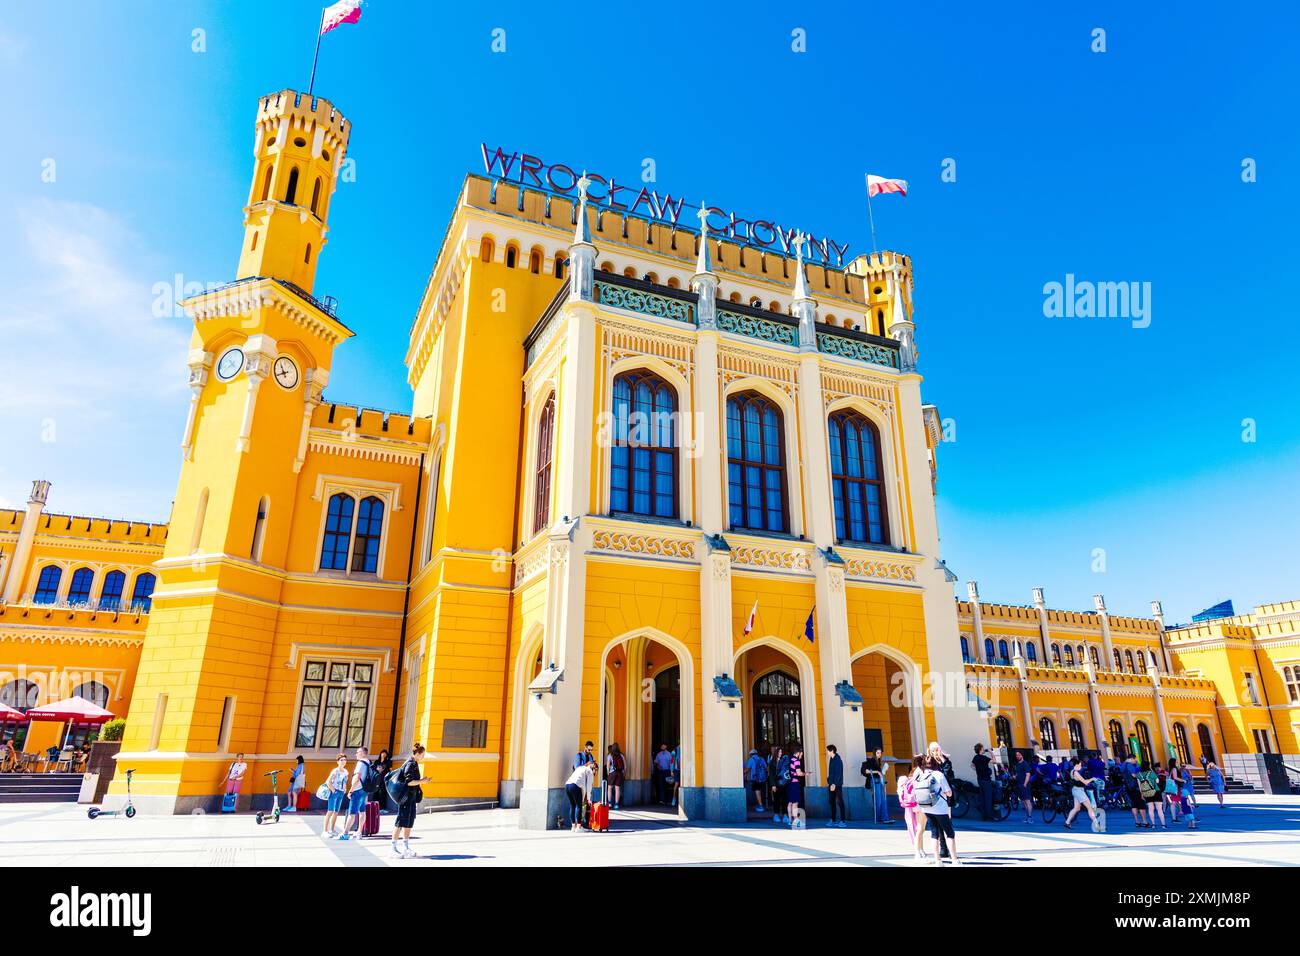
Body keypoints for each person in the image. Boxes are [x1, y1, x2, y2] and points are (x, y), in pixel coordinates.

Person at [915, 755, 960, 865]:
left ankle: (937, 860)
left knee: (934, 834)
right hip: (940, 809)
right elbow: (948, 792)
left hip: (927, 808)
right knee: (949, 833)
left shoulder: (921, 775)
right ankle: (954, 860)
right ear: (935, 764)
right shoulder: (939, 775)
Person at [391, 744, 430, 858]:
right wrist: (422, 781)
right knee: (400, 822)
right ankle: (393, 848)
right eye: (422, 754)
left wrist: (422, 781)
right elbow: (409, 782)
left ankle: (405, 847)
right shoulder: (410, 764)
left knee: (408, 822)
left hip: (411, 798)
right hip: (405, 799)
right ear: (417, 754)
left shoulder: (414, 764)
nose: (423, 757)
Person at [338, 746, 371, 841]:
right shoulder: (368, 762)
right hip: (365, 790)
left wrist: (351, 790)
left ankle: (345, 833)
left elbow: (357, 777)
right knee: (362, 811)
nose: (356, 754)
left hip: (357, 790)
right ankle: (359, 832)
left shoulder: (360, 763)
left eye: (358, 752)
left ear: (363, 753)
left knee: (352, 813)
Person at [1063, 757, 1103, 831]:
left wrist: (1090, 780)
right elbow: (1085, 782)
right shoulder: (1075, 772)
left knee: (1076, 808)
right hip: (1079, 791)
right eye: (1080, 765)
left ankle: (1067, 822)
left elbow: (1082, 781)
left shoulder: (1072, 771)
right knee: (1089, 807)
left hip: (1076, 790)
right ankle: (1097, 825)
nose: (1081, 767)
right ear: (1076, 765)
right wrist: (1092, 779)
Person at [899, 754, 926, 861]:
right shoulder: (921, 772)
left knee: (918, 828)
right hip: (919, 803)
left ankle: (920, 850)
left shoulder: (913, 772)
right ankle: (918, 851)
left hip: (912, 804)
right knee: (920, 828)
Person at [565, 758, 597, 831]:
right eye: (595, 769)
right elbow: (589, 786)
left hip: (567, 785)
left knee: (572, 805)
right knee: (579, 806)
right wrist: (589, 799)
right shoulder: (589, 771)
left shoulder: (580, 768)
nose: (595, 771)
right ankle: (579, 827)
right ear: (593, 766)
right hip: (575, 786)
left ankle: (573, 827)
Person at [322, 753, 349, 838]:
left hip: (341, 792)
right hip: (334, 792)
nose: (343, 761)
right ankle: (325, 831)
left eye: (344, 760)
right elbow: (328, 781)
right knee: (330, 811)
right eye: (341, 760)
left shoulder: (346, 772)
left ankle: (332, 830)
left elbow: (345, 781)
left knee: (336, 812)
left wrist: (345, 789)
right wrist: (333, 790)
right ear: (337, 761)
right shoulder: (335, 771)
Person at [971, 743, 994, 821]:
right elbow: (994, 761)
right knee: (988, 798)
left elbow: (972, 765)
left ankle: (984, 816)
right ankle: (989, 816)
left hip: (980, 779)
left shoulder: (976, 757)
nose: (984, 750)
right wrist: (991, 752)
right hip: (986, 780)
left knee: (983, 798)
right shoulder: (984, 758)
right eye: (983, 748)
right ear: (980, 749)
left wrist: (978, 770)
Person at [1141, 761, 1166, 829]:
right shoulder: (1151, 773)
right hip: (1156, 792)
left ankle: (1153, 824)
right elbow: (1157, 781)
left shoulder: (1140, 774)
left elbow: (1140, 785)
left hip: (1147, 793)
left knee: (1150, 809)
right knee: (1159, 809)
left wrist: (1142, 794)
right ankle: (1163, 824)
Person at [826, 744, 846, 828]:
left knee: (840, 802)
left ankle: (843, 821)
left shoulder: (837, 760)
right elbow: (831, 772)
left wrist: (834, 784)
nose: (827, 752)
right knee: (832, 802)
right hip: (831, 784)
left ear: (831, 751)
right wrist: (829, 781)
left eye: (827, 750)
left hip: (837, 785)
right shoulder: (831, 759)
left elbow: (838, 773)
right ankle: (833, 820)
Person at [786, 744, 806, 828]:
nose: (802, 755)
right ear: (798, 752)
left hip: (789, 783)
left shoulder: (790, 759)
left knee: (790, 802)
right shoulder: (796, 761)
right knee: (795, 803)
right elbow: (798, 773)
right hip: (795, 783)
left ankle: (790, 820)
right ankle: (796, 821)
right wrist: (806, 773)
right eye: (801, 753)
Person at [1013, 751, 1034, 823]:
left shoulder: (1025, 764)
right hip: (1019, 785)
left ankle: (1030, 818)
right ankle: (1027, 816)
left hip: (1025, 785)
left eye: (1019, 755)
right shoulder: (1017, 764)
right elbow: (1018, 774)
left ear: (1022, 755)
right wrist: (1015, 776)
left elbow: (1028, 774)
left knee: (1027, 801)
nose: (1017, 756)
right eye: (1016, 755)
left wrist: (1025, 784)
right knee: (1023, 802)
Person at [745, 748, 768, 814]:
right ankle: (761, 804)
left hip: (755, 778)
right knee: (761, 792)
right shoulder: (762, 759)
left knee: (757, 792)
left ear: (751, 754)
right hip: (762, 778)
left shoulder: (751, 760)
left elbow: (748, 769)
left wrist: (742, 772)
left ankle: (761, 806)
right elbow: (766, 768)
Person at [370, 748, 393, 814]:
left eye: (385, 753)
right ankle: (373, 807)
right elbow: (373, 770)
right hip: (377, 779)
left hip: (384, 779)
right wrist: (377, 770)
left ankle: (382, 808)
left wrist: (389, 778)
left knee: (383, 793)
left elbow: (391, 770)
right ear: (380, 754)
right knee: (375, 792)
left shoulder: (388, 762)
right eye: (382, 753)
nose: (383, 754)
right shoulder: (377, 761)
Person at [605, 743, 626, 810]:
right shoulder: (621, 755)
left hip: (612, 773)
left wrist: (608, 773)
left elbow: (608, 766)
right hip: (620, 773)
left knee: (610, 788)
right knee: (617, 789)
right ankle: (616, 804)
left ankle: (610, 803)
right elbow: (625, 766)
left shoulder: (610, 755)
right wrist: (624, 773)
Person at [1179, 761, 1198, 829]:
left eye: (1184, 766)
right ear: (1180, 766)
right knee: (1185, 796)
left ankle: (1195, 803)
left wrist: (1190, 778)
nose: (1184, 767)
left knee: (1192, 794)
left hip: (1188, 784)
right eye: (1183, 766)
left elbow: (1191, 776)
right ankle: (1188, 804)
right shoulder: (1180, 771)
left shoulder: (1187, 770)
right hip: (1184, 784)